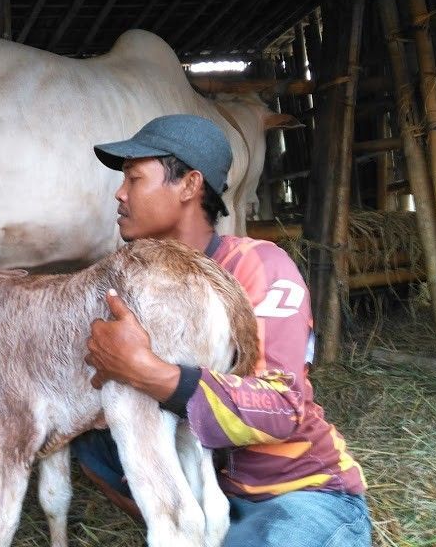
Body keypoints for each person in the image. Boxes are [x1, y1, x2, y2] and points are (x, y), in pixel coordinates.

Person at [73, 114, 371, 546]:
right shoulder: (135, 283)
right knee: (91, 448)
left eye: (134, 179)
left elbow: (282, 408)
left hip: (292, 493)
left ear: (190, 186)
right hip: (207, 484)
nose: (119, 194)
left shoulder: (259, 266)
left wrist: (146, 370)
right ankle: (185, 517)